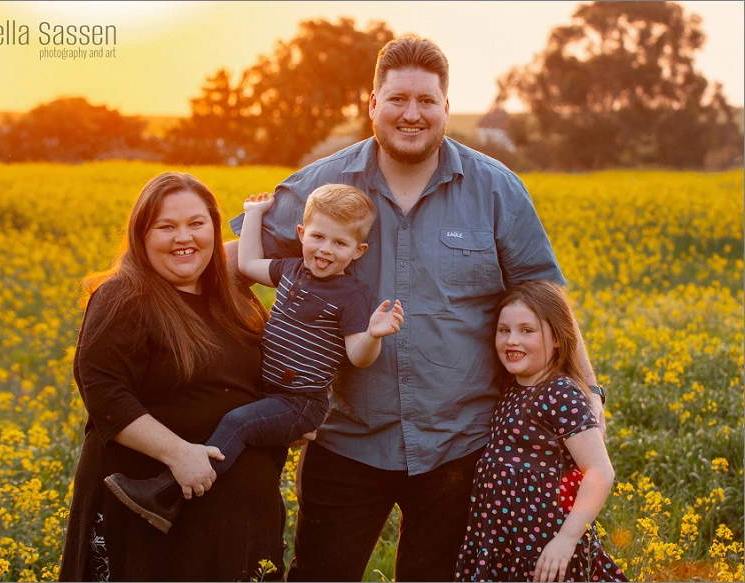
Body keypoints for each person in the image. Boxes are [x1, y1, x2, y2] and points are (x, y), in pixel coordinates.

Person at [227, 35, 607, 582]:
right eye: (398, 99)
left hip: (462, 447)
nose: (412, 114)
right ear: (373, 104)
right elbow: (240, 260)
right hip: (345, 440)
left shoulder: (495, 189)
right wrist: (138, 280)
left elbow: (546, 301)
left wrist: (587, 394)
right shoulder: (323, 184)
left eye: (427, 100)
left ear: (446, 107)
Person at [103, 184, 404, 534]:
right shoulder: (291, 270)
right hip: (268, 391)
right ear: (301, 234)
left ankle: (166, 493)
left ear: (358, 251)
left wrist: (373, 335)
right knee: (241, 433)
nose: (325, 249)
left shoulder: (350, 295)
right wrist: (253, 215)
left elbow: (358, 357)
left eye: (339, 243)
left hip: (299, 401)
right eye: (318, 237)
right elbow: (246, 263)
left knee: (238, 424)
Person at [59, 172, 285, 582]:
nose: (184, 238)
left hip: (235, 521)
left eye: (197, 223)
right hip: (148, 521)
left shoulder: (233, 297)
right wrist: (178, 453)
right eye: (166, 227)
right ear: (141, 235)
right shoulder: (123, 296)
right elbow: (104, 393)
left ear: (214, 229)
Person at [455, 280, 625, 582]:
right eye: (504, 330)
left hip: (547, 550)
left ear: (557, 337)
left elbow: (600, 471)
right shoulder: (511, 389)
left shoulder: (560, 393)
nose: (512, 341)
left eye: (527, 330)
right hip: (503, 546)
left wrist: (567, 539)